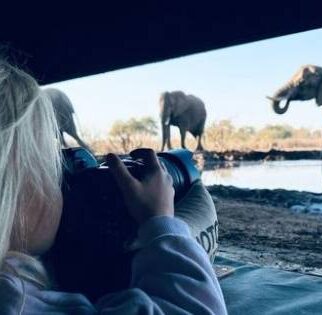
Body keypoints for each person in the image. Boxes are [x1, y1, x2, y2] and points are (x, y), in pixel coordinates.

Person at [0, 61, 227, 314]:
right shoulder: (16, 302)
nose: (61, 184)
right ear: (8, 195)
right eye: (51, 168)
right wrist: (162, 224)